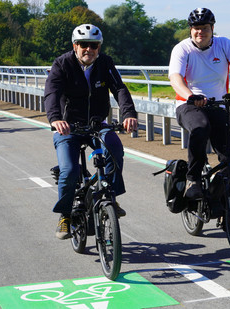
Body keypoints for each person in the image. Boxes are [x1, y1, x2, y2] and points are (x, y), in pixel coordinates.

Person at [44, 24, 138, 240]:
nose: (89, 49)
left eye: (94, 45)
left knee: (114, 148)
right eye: (84, 45)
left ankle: (110, 197)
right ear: (75, 46)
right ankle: (65, 215)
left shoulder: (105, 63)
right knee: (68, 171)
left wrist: (128, 113)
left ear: (99, 47)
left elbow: (120, 89)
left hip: (97, 124)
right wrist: (56, 119)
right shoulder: (62, 64)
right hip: (68, 126)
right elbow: (51, 92)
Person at [168, 8, 230, 199]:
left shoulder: (223, 44)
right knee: (200, 127)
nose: (199, 32)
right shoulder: (182, 49)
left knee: (229, 152)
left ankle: (223, 193)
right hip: (188, 104)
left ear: (212, 28)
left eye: (204, 28)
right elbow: (175, 78)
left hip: (217, 104)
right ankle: (192, 179)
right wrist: (190, 96)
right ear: (190, 29)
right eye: (195, 28)